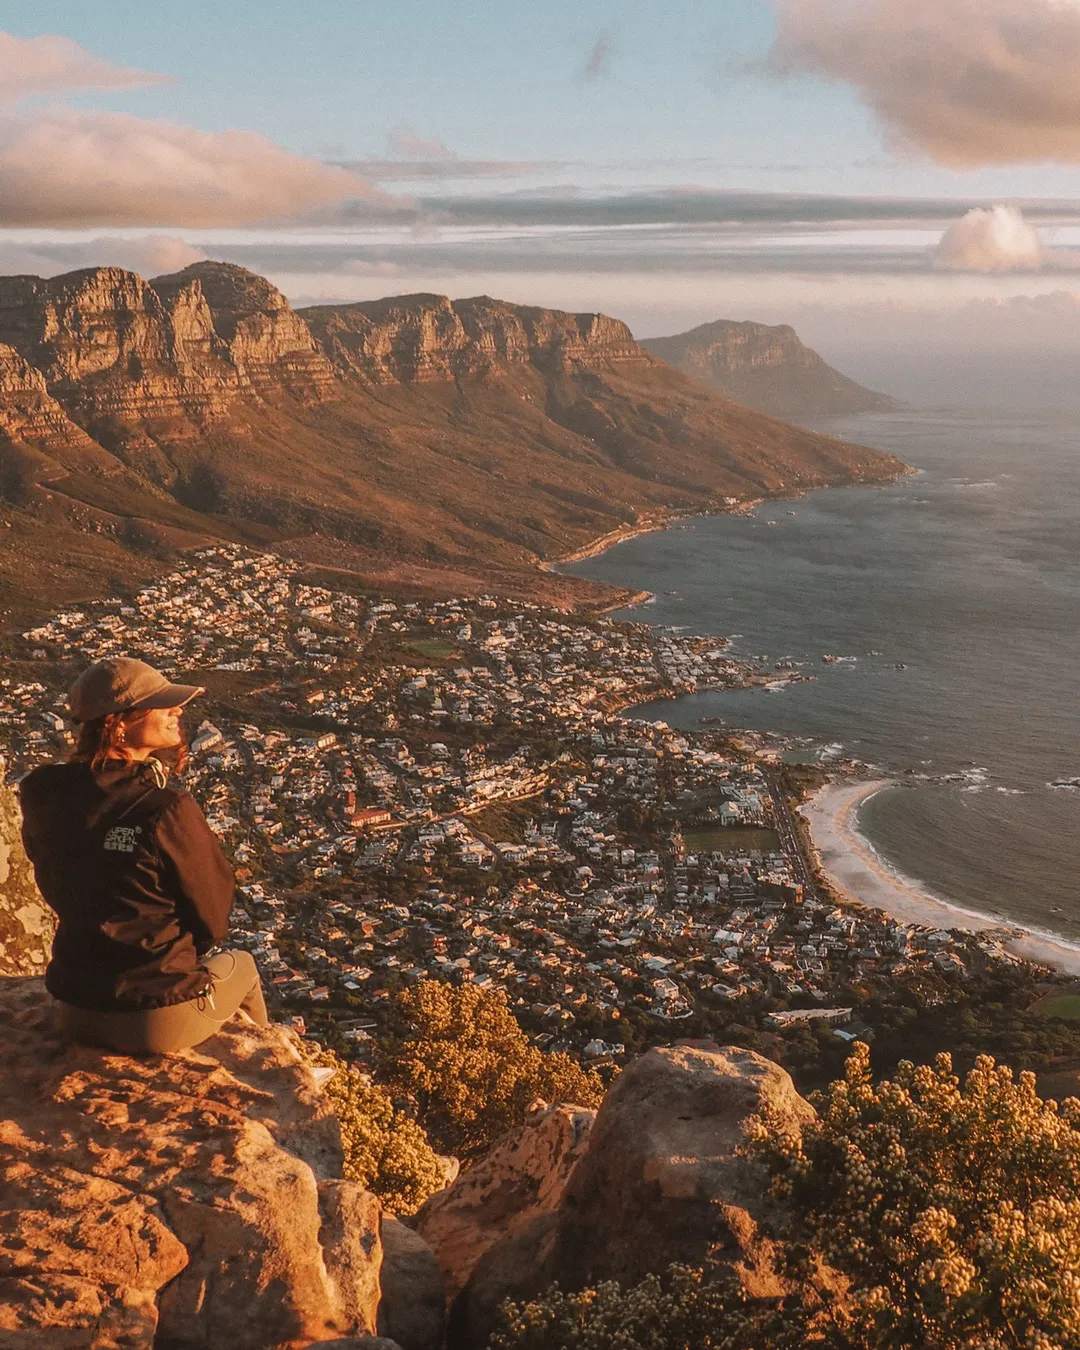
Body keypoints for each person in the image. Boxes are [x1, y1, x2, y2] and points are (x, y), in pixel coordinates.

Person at [19, 656, 268, 1054]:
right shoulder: (164, 806)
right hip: (154, 1019)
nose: (178, 710)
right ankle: (271, 1067)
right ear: (117, 724)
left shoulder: (40, 792)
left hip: (75, 1008)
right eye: (162, 704)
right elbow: (213, 915)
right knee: (244, 967)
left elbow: (54, 874)